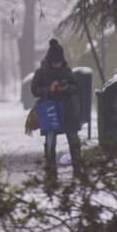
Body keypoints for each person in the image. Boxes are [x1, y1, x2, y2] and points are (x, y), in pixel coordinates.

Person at [30, 38, 82, 182]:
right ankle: (51, 172)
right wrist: (48, 90)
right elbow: (34, 89)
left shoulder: (67, 70)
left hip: (67, 111)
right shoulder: (42, 72)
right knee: (50, 140)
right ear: (51, 60)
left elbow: (76, 87)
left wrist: (66, 88)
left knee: (73, 139)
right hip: (50, 111)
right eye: (55, 62)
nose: (58, 65)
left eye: (59, 62)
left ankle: (78, 170)